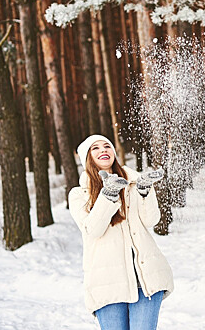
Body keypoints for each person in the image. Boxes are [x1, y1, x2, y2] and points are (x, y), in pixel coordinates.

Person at [69, 134, 173, 330]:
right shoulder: (79, 195)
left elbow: (151, 220)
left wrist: (144, 191)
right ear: (87, 158)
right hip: (107, 283)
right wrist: (107, 195)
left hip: (145, 278)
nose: (103, 150)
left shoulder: (133, 184)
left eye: (107, 146)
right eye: (95, 148)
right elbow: (93, 230)